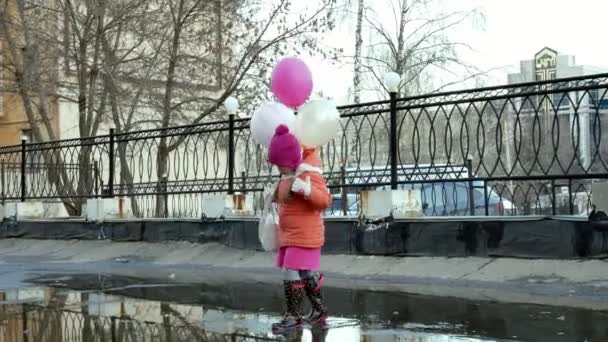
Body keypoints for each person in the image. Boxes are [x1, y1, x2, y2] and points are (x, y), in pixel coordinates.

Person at [267, 124, 332, 332]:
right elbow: (285, 200)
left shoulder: (309, 173)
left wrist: (307, 191)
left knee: (291, 271)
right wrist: (273, 194)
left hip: (305, 234)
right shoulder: (286, 176)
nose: (278, 169)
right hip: (290, 234)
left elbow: (325, 201)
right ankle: (320, 311)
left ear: (290, 160)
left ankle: (293, 316)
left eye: (280, 164)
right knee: (305, 272)